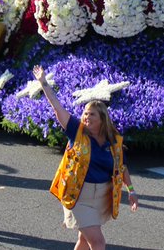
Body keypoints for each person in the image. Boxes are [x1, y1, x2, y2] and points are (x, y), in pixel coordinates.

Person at [34, 64, 137, 249]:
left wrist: (131, 190)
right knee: (98, 242)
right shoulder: (76, 131)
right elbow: (57, 108)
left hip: (101, 197)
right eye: (85, 113)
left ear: (102, 119)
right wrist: (43, 83)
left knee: (83, 241)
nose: (86, 117)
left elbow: (121, 167)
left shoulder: (113, 141)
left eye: (92, 114)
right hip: (78, 195)